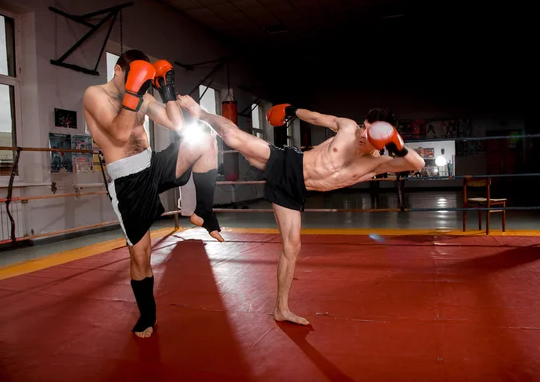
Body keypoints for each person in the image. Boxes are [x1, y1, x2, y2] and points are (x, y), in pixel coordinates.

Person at [176, 95, 426, 325]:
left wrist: (398, 145)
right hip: (288, 162)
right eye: (364, 125)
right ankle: (202, 113)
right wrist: (293, 110)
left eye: (370, 131)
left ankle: (281, 309)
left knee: (292, 246)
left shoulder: (378, 163)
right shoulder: (349, 127)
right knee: (232, 138)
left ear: (382, 138)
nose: (362, 133)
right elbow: (316, 117)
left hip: (294, 192)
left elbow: (418, 163)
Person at [83, 49, 223, 338]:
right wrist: (134, 90)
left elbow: (176, 124)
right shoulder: (95, 95)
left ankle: (203, 211)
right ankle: (147, 315)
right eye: (132, 78)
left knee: (205, 140)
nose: (137, 85)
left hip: (152, 163)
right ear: (119, 71)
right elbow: (120, 135)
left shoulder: (143, 95)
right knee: (141, 255)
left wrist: (166, 88)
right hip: (127, 180)